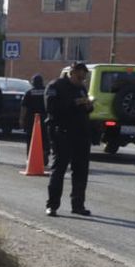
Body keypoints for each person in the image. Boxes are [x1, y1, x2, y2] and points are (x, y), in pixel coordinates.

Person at [45, 62, 96, 218]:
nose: (82, 80)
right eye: (80, 76)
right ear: (72, 73)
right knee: (59, 169)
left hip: (81, 134)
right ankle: (52, 206)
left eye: (84, 77)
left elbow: (86, 110)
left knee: (81, 170)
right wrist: (74, 103)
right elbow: (51, 108)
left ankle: (78, 205)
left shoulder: (81, 88)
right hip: (63, 133)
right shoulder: (56, 86)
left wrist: (88, 105)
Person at [20, 74, 49, 167]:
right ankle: (45, 153)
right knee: (45, 138)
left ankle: (30, 157)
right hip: (45, 118)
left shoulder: (29, 92)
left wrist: (21, 119)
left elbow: (24, 107)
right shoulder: (47, 91)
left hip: (31, 119)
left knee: (31, 139)